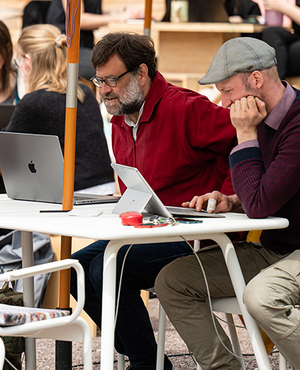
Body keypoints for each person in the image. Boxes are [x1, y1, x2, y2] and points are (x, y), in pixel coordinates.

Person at [155, 37, 300, 370]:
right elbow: (262, 196)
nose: (223, 103)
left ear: (255, 80)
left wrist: (245, 136)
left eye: (227, 91)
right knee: (172, 281)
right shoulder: (262, 120)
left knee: (260, 297)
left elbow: (261, 204)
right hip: (278, 249)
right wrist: (231, 200)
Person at [70, 32, 237, 370]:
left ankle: (147, 363)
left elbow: (248, 138)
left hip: (198, 234)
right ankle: (147, 355)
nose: (103, 90)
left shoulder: (186, 108)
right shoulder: (120, 118)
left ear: (142, 73)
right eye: (99, 80)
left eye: (112, 80)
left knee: (107, 268)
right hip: (151, 230)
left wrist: (229, 194)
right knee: (74, 270)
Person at [0, 24, 113, 193]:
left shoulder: (35, 101)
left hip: (74, 194)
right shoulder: (83, 91)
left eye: (19, 61)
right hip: (105, 187)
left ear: (28, 61)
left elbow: (6, 154)